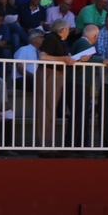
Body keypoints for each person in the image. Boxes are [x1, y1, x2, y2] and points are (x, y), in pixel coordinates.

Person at [34, 18, 76, 151]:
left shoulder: (60, 41)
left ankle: (49, 144)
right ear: (62, 29)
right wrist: (63, 58)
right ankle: (44, 146)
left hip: (56, 75)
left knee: (50, 109)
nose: (69, 31)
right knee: (46, 109)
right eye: (68, 29)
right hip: (49, 74)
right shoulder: (52, 38)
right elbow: (43, 56)